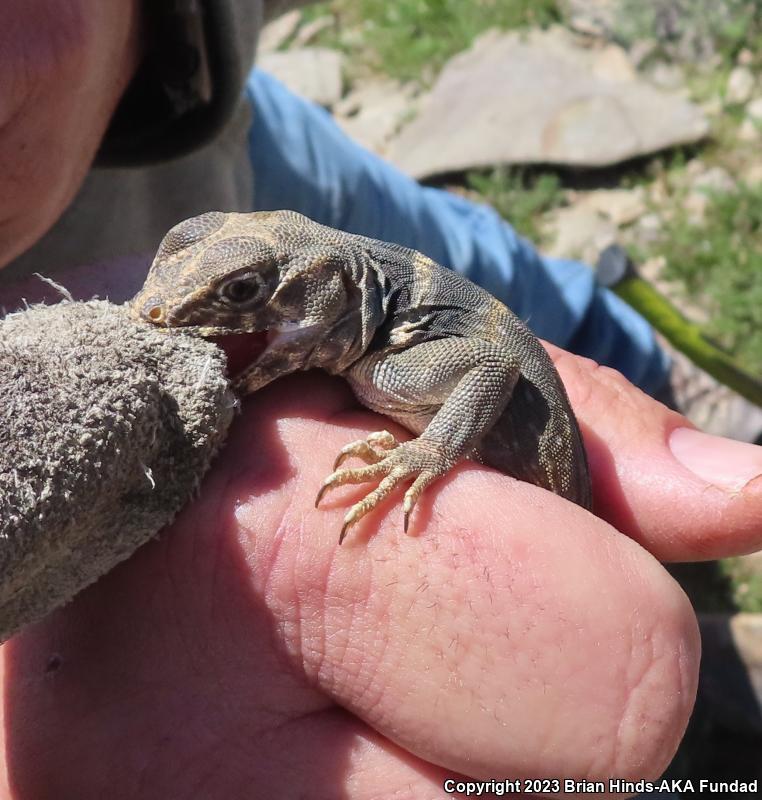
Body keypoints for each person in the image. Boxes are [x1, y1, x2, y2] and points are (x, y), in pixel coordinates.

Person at [1, 2, 761, 796]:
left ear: (321, 298)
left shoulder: (394, 371)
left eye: (245, 293)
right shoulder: (346, 306)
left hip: (541, 489)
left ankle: (650, 374)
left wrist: (431, 451)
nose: (165, 309)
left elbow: (485, 372)